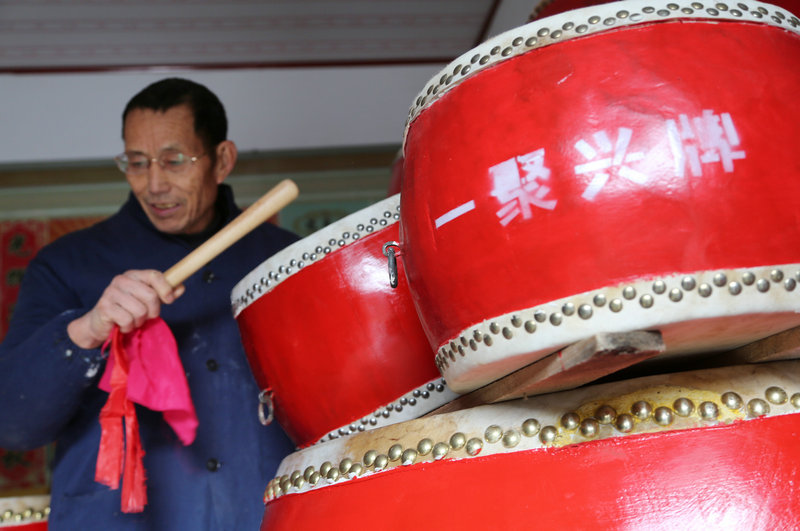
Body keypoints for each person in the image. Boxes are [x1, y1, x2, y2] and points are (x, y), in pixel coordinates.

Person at [0, 78, 298, 530]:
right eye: (137, 163)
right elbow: (14, 424)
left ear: (221, 160)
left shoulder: (289, 260)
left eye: (174, 161)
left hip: (266, 517)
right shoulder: (67, 264)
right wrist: (88, 328)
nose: (154, 183)